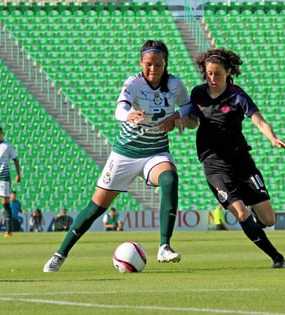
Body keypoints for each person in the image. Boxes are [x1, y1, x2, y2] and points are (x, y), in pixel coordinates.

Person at [43, 40, 194, 272]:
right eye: (148, 64)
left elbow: (189, 108)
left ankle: (164, 246)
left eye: (158, 65)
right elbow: (119, 109)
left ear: (166, 64)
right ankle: (59, 254)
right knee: (96, 207)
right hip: (125, 153)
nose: (153, 69)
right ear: (141, 62)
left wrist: (179, 117)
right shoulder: (133, 83)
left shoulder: (175, 84)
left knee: (169, 179)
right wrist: (129, 115)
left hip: (155, 151)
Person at [188, 48, 285, 268]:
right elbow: (193, 120)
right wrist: (179, 120)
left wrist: (272, 138)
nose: (212, 78)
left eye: (217, 73)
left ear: (228, 72)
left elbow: (259, 120)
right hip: (214, 165)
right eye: (208, 74)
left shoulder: (237, 95)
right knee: (241, 211)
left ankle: (254, 222)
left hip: (241, 161)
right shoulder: (197, 94)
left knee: (269, 220)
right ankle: (276, 257)